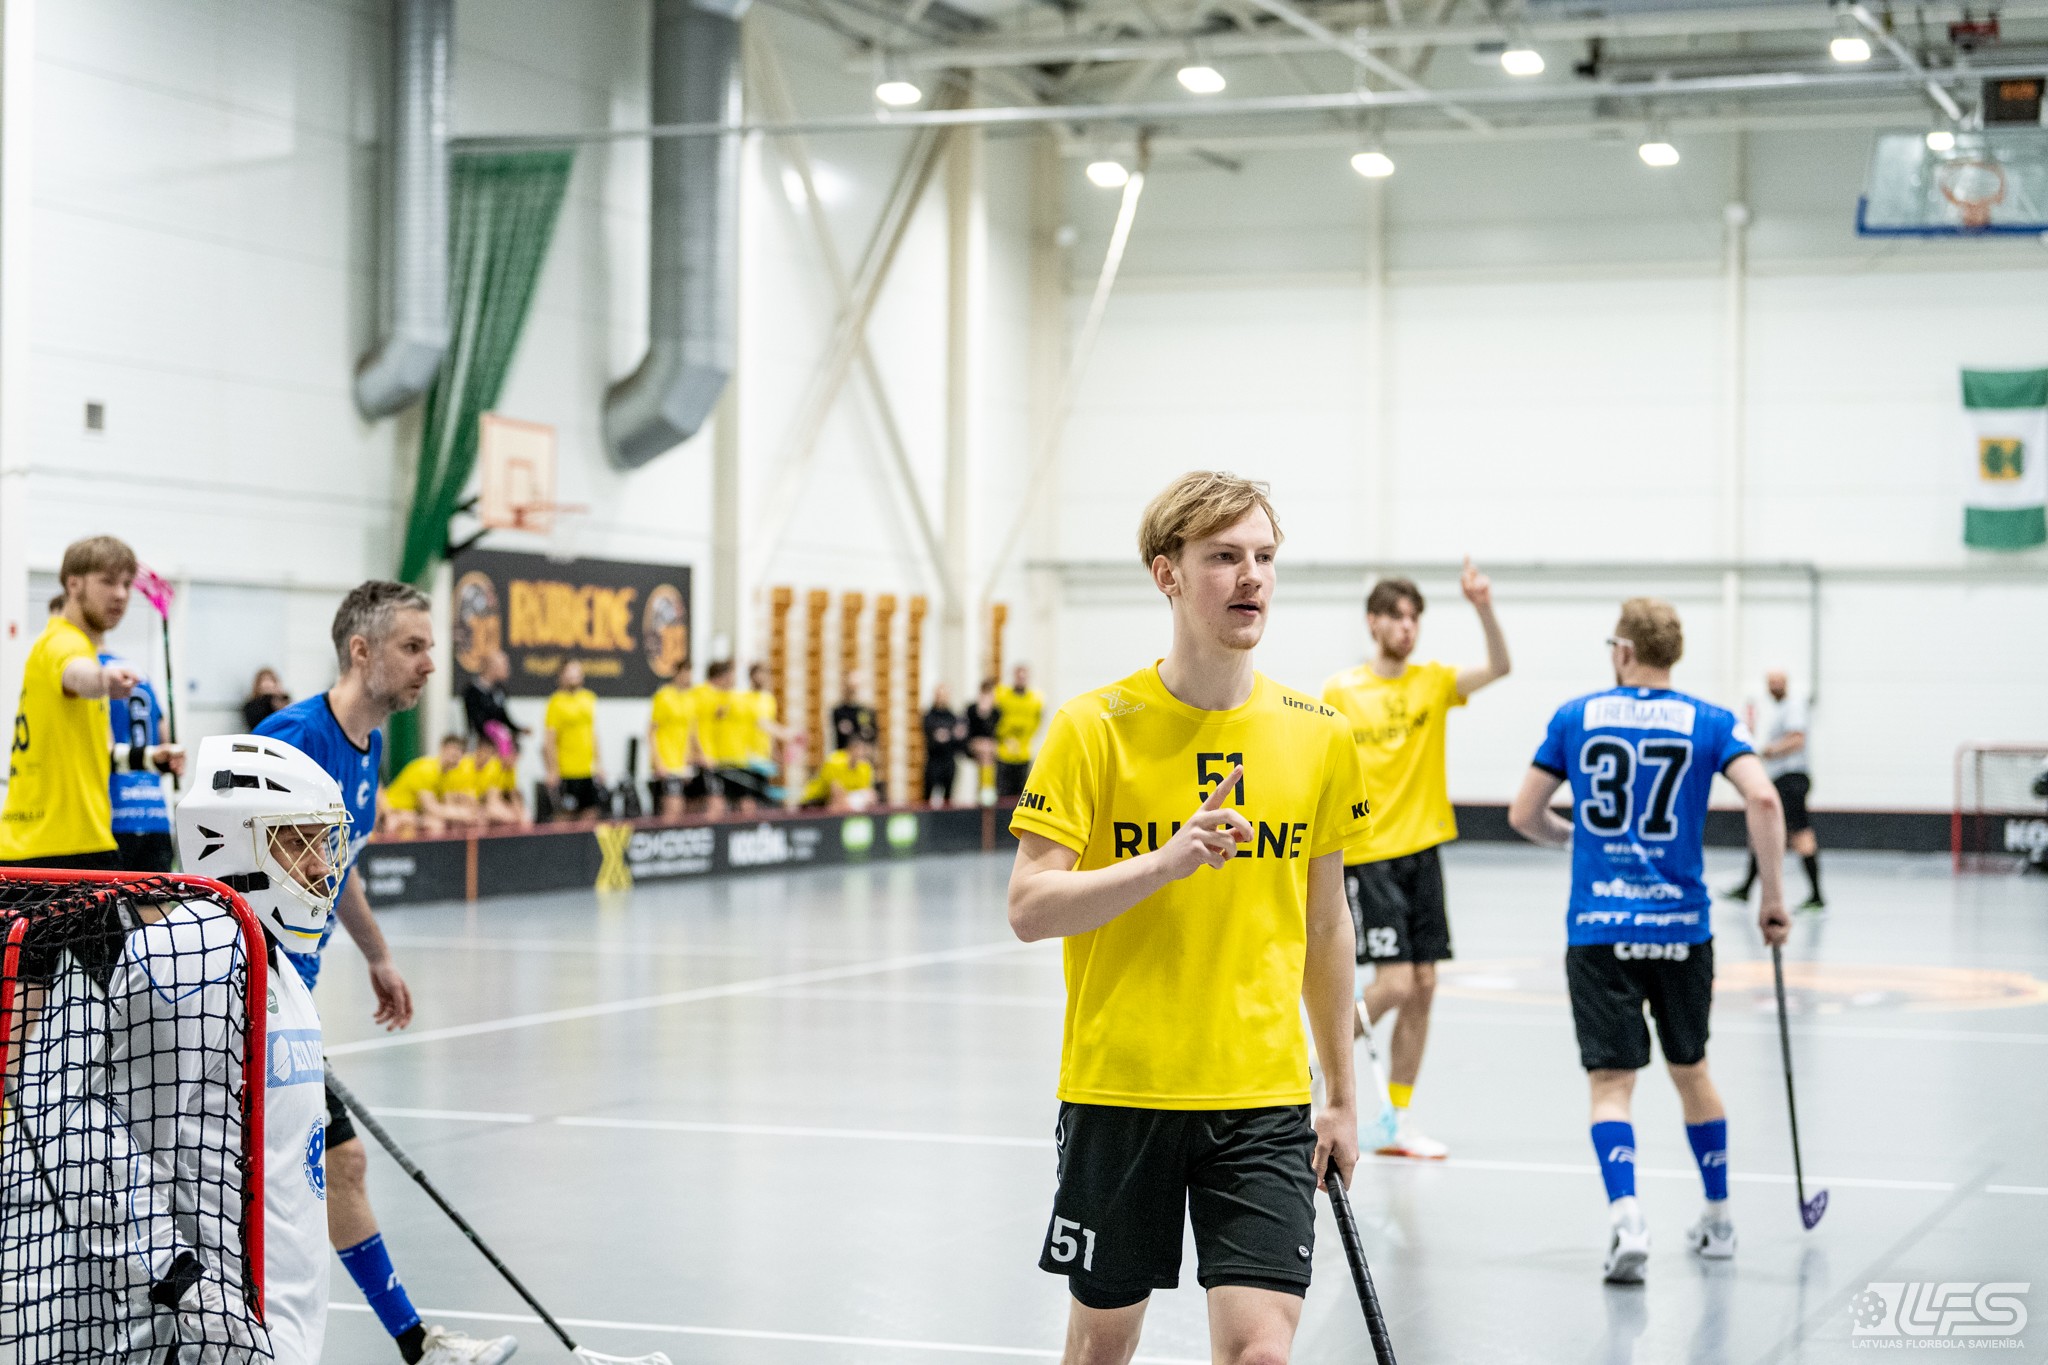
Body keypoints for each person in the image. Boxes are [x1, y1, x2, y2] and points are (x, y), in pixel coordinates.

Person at [1005, 471, 1368, 1365]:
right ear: (1166, 573)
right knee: (1101, 1348)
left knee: (1260, 1353)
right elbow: (1029, 906)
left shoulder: (1319, 734)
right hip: (1122, 1091)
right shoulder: (1093, 726)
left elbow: (1327, 926)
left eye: (1264, 557)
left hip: (1263, 1098)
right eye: (1223, 557)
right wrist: (1166, 861)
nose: (1251, 577)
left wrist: (1341, 1095)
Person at [256, 581, 516, 1365]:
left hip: (294, 1000)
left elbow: (336, 870)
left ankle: (415, 1343)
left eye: (430, 647)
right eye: (413, 646)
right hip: (251, 998)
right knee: (297, 1174)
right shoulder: (291, 739)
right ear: (361, 650)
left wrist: (376, 953)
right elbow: (224, 867)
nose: (431, 663)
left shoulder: (368, 752)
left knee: (340, 1163)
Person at [1507, 598, 1788, 1285]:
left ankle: (1628, 1218)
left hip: (1600, 926)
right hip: (1682, 928)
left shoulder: (1576, 716)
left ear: (1625, 651)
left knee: (1611, 1084)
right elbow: (1764, 799)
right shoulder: (1711, 721)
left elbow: (1524, 813)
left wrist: (1575, 839)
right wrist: (1772, 898)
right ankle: (1718, 1218)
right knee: (1692, 1070)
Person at [1319, 562, 1511, 1160]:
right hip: (1370, 855)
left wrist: (1483, 606)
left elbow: (1500, 667)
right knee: (1395, 983)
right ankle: (1311, 1063)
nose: (1407, 627)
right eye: (1396, 617)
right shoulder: (1341, 692)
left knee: (1424, 985)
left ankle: (1397, 1120)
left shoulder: (1433, 682)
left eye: (1415, 618)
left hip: (1423, 851)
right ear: (1373, 623)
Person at [1, 536, 181, 870]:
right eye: (107, 581)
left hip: (68, 845)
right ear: (74, 584)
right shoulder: (61, 643)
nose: (121, 594)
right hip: (56, 851)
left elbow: (102, 753)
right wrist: (103, 680)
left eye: (126, 584)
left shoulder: (78, 647)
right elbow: (77, 674)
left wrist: (150, 758)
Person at [1725, 670, 1824, 911]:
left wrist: (1769, 750)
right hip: (1781, 778)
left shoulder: (1793, 707)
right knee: (1761, 832)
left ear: (1785, 684)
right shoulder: (1779, 710)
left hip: (1792, 779)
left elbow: (1797, 739)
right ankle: (1746, 888)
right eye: (1770, 683)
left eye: (1777, 683)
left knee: (1800, 835)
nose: (1773, 687)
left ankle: (1816, 896)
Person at [104, 650, 176, 873]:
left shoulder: (97, 674)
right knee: (156, 893)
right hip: (155, 813)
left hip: (114, 813)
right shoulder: (139, 674)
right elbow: (166, 741)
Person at [542, 659, 604, 825]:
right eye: (569, 672)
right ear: (561, 676)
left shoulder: (589, 698)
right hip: (566, 772)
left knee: (591, 813)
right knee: (564, 817)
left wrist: (599, 764)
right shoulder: (555, 702)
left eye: (577, 671)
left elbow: (593, 734)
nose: (574, 675)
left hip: (587, 771)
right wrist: (552, 770)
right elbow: (549, 740)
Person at [648, 661, 705, 820]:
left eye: (690, 673)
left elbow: (692, 733)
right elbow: (651, 732)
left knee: (691, 809)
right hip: (667, 763)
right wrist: (658, 761)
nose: (688, 677)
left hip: (684, 764)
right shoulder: (664, 696)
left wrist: (698, 755)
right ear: (676, 674)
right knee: (673, 809)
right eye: (685, 673)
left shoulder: (690, 698)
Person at [992, 663, 1043, 800]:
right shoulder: (1001, 695)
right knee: (1002, 795)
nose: (1021, 679)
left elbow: (1037, 722)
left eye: (1024, 677)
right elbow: (994, 720)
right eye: (1018, 676)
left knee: (1022, 795)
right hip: (1004, 753)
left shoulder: (1035, 700)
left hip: (1024, 753)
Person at [461, 650, 524, 760]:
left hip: (496, 744)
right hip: (480, 745)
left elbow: (502, 715)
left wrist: (517, 729)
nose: (508, 669)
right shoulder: (472, 691)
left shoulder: (499, 690)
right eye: (504, 665)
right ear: (492, 667)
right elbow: (474, 721)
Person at [801, 735, 877, 811]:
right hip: (816, 800)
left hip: (841, 801)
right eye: (858, 750)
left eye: (863, 750)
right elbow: (836, 794)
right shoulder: (834, 762)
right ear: (849, 750)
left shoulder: (865, 767)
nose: (861, 753)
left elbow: (868, 793)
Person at [921, 683, 963, 806]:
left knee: (948, 798)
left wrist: (946, 734)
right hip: (934, 761)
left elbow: (957, 736)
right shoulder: (929, 715)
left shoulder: (952, 716)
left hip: (948, 761)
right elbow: (933, 735)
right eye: (940, 695)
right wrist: (947, 734)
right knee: (927, 796)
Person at [476, 737, 527, 827]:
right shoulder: (493, 766)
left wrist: (520, 814)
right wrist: (513, 816)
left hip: (496, 801)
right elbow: (490, 799)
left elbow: (513, 794)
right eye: (513, 756)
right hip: (481, 803)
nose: (515, 760)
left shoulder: (511, 770)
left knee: (523, 816)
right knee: (507, 817)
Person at [965, 677, 999, 803]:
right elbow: (969, 731)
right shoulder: (972, 710)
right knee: (985, 751)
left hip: (990, 746)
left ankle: (987, 789)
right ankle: (985, 790)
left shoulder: (996, 712)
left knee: (988, 752)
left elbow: (995, 732)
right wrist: (982, 713)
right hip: (974, 744)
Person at [831, 672, 877, 754]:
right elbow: (841, 734)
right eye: (849, 688)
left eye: (854, 688)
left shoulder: (865, 711)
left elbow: (872, 735)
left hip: (862, 755)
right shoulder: (838, 712)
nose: (851, 691)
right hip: (843, 755)